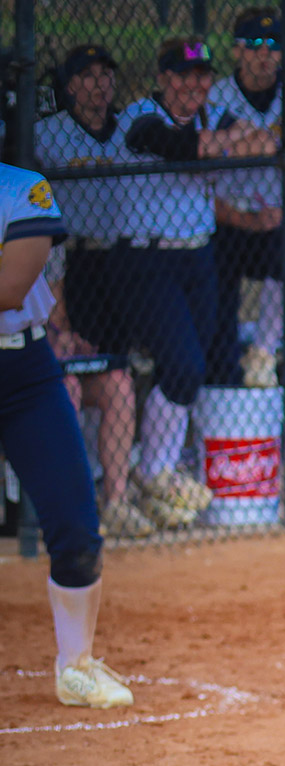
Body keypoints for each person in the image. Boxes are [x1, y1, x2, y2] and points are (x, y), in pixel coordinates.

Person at [118, 37, 275, 529]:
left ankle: (158, 477)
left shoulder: (213, 115)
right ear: (163, 78)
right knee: (182, 363)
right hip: (147, 259)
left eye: (202, 76)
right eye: (183, 76)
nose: (194, 85)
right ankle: (153, 471)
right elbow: (180, 147)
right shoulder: (139, 116)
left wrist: (224, 141)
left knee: (194, 365)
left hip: (199, 257)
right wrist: (230, 141)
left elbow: (267, 143)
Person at [0, 156, 135, 709]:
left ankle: (75, 666)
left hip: (23, 371)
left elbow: (10, 288)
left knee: (77, 526)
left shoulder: (22, 189)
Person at [38, 43, 147, 538]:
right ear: (68, 85)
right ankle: (70, 502)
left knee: (118, 372)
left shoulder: (129, 128)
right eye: (86, 76)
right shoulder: (45, 135)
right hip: (71, 260)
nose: (99, 84)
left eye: (107, 74)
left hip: (116, 264)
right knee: (68, 381)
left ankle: (116, 499)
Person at [206, 9, 285, 390]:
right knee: (220, 302)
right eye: (254, 44)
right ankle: (223, 374)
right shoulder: (217, 95)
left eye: (273, 45)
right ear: (237, 51)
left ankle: (264, 352)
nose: (264, 53)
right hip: (225, 216)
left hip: (274, 215)